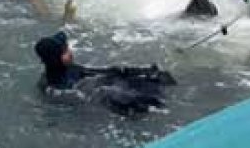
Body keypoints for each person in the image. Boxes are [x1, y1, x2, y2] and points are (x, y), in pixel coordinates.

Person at [33, 32, 176, 115]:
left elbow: (98, 72)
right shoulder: (52, 85)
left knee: (155, 78)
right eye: (65, 52)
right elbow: (80, 102)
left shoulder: (71, 68)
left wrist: (134, 71)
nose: (70, 53)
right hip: (100, 101)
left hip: (103, 88)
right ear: (55, 58)